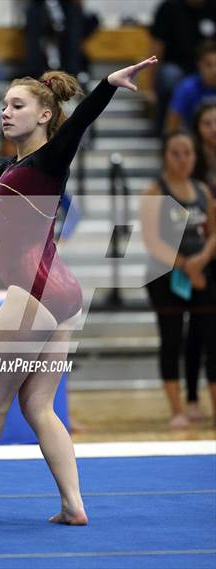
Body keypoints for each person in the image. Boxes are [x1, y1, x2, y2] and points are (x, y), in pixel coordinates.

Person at [0, 56, 158, 524]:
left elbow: (78, 123)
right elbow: (4, 168)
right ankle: (73, 504)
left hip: (34, 294)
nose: (5, 111)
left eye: (16, 105)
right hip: (62, 292)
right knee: (38, 404)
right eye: (3, 104)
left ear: (44, 115)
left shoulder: (53, 155)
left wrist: (105, 84)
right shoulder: (27, 166)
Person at [141, 130, 216, 429]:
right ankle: (177, 409)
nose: (183, 159)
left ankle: (208, 404)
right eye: (176, 153)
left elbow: (212, 235)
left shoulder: (202, 190)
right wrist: (186, 265)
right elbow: (152, 242)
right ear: (165, 156)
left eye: (188, 153)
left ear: (195, 157)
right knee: (171, 340)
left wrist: (202, 261)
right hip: (166, 276)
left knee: (210, 339)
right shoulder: (154, 193)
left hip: (203, 273)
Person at [184, 102, 216, 420]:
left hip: (209, 249)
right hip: (196, 254)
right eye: (208, 123)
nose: (213, 129)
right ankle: (192, 397)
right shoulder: (190, 165)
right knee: (198, 329)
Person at [149, 0, 216, 132]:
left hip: (209, 59)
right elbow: (156, 48)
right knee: (170, 76)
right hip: (177, 67)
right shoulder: (169, 7)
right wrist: (150, 89)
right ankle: (160, 128)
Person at [166, 40, 216, 131]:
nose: (214, 71)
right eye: (209, 65)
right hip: (194, 140)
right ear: (199, 64)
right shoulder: (186, 88)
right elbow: (172, 126)